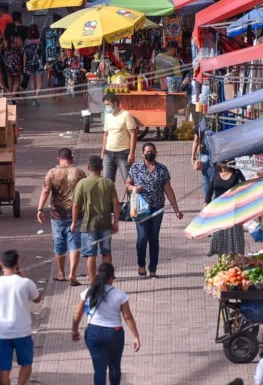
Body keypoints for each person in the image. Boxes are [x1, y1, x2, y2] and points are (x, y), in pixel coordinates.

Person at [71, 263, 139, 385]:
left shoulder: (87, 293)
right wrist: (136, 336)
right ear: (112, 277)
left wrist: (74, 329)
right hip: (114, 333)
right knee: (114, 365)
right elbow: (128, 316)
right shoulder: (120, 295)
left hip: (94, 333)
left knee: (99, 368)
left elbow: (78, 313)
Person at [0, 250, 43, 385]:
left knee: (4, 370)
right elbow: (38, 299)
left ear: (1, 264)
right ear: (17, 264)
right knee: (26, 364)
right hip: (23, 332)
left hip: (2, 333)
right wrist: (23, 276)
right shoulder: (26, 283)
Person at [126, 143, 183, 278]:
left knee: (154, 238)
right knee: (142, 237)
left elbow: (168, 189)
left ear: (156, 152)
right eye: (147, 151)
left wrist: (176, 209)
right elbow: (127, 184)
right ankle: (141, 264)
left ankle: (153, 269)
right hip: (140, 208)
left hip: (157, 208)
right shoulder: (136, 167)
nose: (149, 153)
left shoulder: (162, 169)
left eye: (152, 151)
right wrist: (134, 188)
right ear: (143, 153)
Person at [38, 148, 87, 286]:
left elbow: (45, 191)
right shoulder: (79, 173)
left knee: (59, 244)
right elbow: (85, 190)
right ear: (71, 159)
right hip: (75, 214)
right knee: (74, 244)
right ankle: (73, 273)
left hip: (57, 215)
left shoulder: (52, 173)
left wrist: (40, 209)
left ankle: (61, 273)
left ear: (58, 159)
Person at [73, 155, 119, 284]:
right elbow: (116, 203)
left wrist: (73, 221)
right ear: (102, 168)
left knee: (91, 254)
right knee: (106, 252)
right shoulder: (108, 182)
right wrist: (115, 221)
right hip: (105, 222)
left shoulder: (82, 183)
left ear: (88, 167)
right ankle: (107, 280)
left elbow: (76, 204)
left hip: (88, 224)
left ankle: (93, 281)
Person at [205, 163, 246, 256]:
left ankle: (236, 257)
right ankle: (221, 257)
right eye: (223, 161)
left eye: (227, 160)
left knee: (234, 235)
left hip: (233, 210)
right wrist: (206, 205)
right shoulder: (215, 173)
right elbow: (210, 190)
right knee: (220, 234)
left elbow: (245, 187)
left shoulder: (236, 173)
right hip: (219, 210)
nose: (224, 163)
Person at [101, 92, 138, 184]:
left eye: (108, 104)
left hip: (123, 153)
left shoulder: (126, 115)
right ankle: (109, 199)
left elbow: (133, 135)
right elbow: (106, 135)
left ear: (115, 104)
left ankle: (132, 198)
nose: (106, 107)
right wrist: (103, 152)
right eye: (105, 105)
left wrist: (131, 153)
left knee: (129, 182)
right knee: (107, 183)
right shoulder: (108, 116)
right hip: (108, 153)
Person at [23, 24, 45, 107]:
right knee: (40, 83)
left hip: (29, 64)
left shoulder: (26, 42)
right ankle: (36, 97)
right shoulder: (40, 42)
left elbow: (25, 54)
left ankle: (34, 98)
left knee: (32, 82)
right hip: (39, 64)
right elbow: (42, 53)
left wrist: (24, 65)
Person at [3, 17, 24, 99]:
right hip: (16, 62)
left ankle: (9, 96)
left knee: (9, 82)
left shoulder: (5, 40)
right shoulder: (18, 39)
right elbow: (22, 51)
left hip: (7, 62)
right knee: (17, 82)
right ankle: (13, 96)